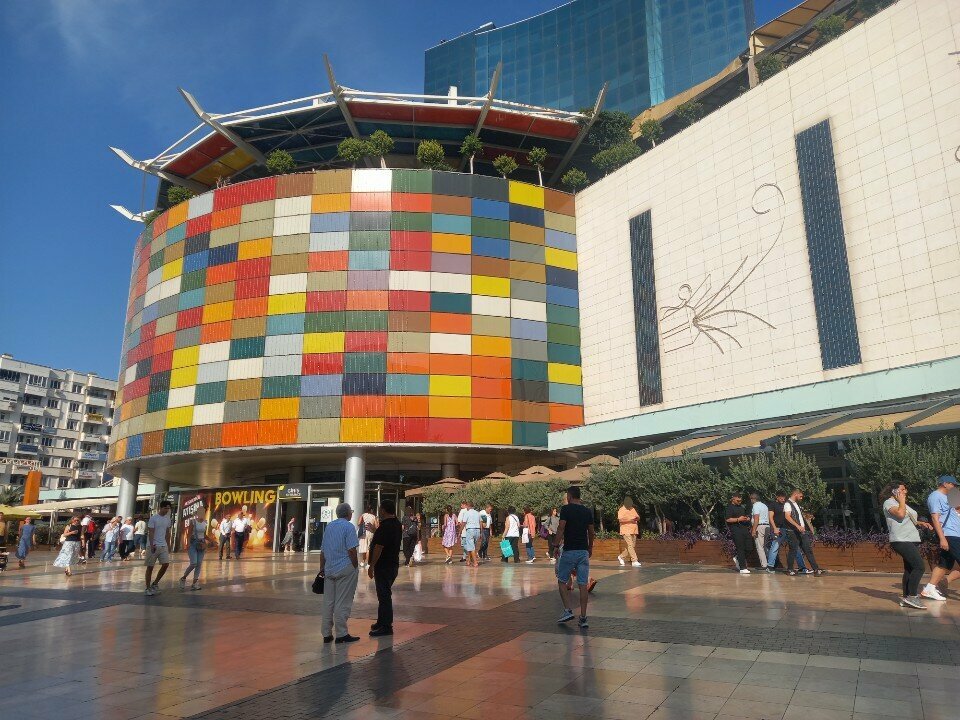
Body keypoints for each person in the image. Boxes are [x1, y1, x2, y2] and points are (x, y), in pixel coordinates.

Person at [883, 481, 934, 609]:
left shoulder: (901, 503)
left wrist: (921, 523)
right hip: (900, 540)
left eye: (905, 489)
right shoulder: (889, 503)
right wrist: (901, 501)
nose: (905, 491)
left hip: (910, 539)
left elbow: (909, 518)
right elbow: (900, 515)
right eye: (902, 489)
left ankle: (907, 598)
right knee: (919, 567)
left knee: (910, 569)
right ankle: (912, 597)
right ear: (894, 491)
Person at [318, 503, 360, 644]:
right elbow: (352, 550)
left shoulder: (329, 526)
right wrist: (355, 566)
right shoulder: (349, 527)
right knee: (343, 602)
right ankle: (341, 634)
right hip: (345, 568)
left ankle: (326, 633)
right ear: (348, 513)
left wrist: (322, 568)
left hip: (329, 569)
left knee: (328, 602)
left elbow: (323, 551)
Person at [555, 486, 595, 628]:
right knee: (583, 585)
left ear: (570, 496)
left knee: (562, 581)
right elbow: (591, 532)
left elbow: (561, 527)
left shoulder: (566, 509)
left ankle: (568, 610)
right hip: (583, 552)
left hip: (569, 551)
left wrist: (555, 545)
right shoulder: (587, 511)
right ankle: (583, 618)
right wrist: (590, 547)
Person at [921, 475, 960, 602]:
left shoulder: (948, 497)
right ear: (945, 483)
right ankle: (930, 588)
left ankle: (929, 589)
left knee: (944, 564)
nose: (955, 487)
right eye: (953, 485)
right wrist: (942, 538)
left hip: (955, 534)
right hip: (949, 534)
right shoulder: (935, 496)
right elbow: (935, 518)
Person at [369, 500, 403, 637]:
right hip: (392, 564)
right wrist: (376, 531)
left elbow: (379, 547)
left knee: (384, 595)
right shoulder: (396, 524)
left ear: (383, 510)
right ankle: (381, 621)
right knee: (383, 594)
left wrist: (372, 565)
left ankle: (386, 626)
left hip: (383, 565)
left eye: (380, 509)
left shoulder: (385, 526)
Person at [784, 489, 822, 576]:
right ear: (796, 494)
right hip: (793, 531)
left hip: (801, 531)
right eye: (800, 496)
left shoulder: (796, 504)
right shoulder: (787, 504)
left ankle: (816, 569)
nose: (801, 498)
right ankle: (790, 570)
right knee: (793, 550)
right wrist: (797, 526)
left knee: (808, 550)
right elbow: (787, 517)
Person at [144, 501, 173, 596]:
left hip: (163, 545)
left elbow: (167, 532)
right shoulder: (154, 518)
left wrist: (169, 545)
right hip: (153, 545)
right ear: (161, 508)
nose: (167, 510)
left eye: (168, 508)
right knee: (150, 567)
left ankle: (155, 583)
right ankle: (147, 588)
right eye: (165, 508)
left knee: (166, 564)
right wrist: (152, 544)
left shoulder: (168, 519)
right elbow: (151, 532)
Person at [725, 492, 753, 574]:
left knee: (749, 547)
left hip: (744, 528)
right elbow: (728, 519)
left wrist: (747, 518)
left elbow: (746, 515)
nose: (739, 501)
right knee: (740, 548)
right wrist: (738, 519)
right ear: (733, 499)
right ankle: (742, 568)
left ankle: (737, 558)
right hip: (735, 529)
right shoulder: (729, 508)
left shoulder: (741, 507)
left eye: (740, 500)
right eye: (738, 500)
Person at [179, 512, 208, 591]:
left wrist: (211, 540)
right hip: (193, 544)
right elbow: (189, 534)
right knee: (194, 563)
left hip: (201, 544)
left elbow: (204, 535)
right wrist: (188, 543)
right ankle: (183, 578)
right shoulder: (193, 522)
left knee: (199, 564)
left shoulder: (205, 523)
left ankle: (194, 583)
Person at [616, 498, 641, 568]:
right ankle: (634, 560)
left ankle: (621, 557)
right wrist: (630, 519)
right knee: (630, 545)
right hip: (625, 530)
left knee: (631, 546)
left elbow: (638, 517)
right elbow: (620, 520)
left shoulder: (632, 509)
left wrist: (637, 518)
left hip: (634, 530)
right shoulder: (621, 510)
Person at [749, 492, 770, 571]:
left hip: (760, 526)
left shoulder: (755, 506)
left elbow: (756, 518)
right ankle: (770, 562)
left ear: (753, 499)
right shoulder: (764, 505)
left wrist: (754, 530)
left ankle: (764, 565)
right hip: (767, 526)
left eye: (751, 499)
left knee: (760, 546)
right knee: (765, 546)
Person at [463, 501, 482, 567]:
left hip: (470, 530)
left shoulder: (467, 513)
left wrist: (460, 532)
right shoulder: (477, 513)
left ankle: (475, 562)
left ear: (468, 506)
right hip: (477, 530)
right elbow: (480, 522)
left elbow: (464, 523)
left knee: (472, 547)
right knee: (472, 546)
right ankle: (468, 561)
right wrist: (481, 532)